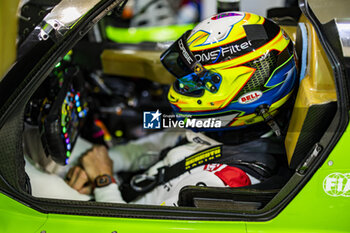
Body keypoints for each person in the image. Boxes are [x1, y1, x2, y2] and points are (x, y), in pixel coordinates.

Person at [62, 11, 298, 205]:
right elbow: (157, 144)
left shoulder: (221, 184)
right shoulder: (218, 127)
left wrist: (103, 180)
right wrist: (100, 162)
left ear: (245, 94)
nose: (183, 85)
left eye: (199, 80)